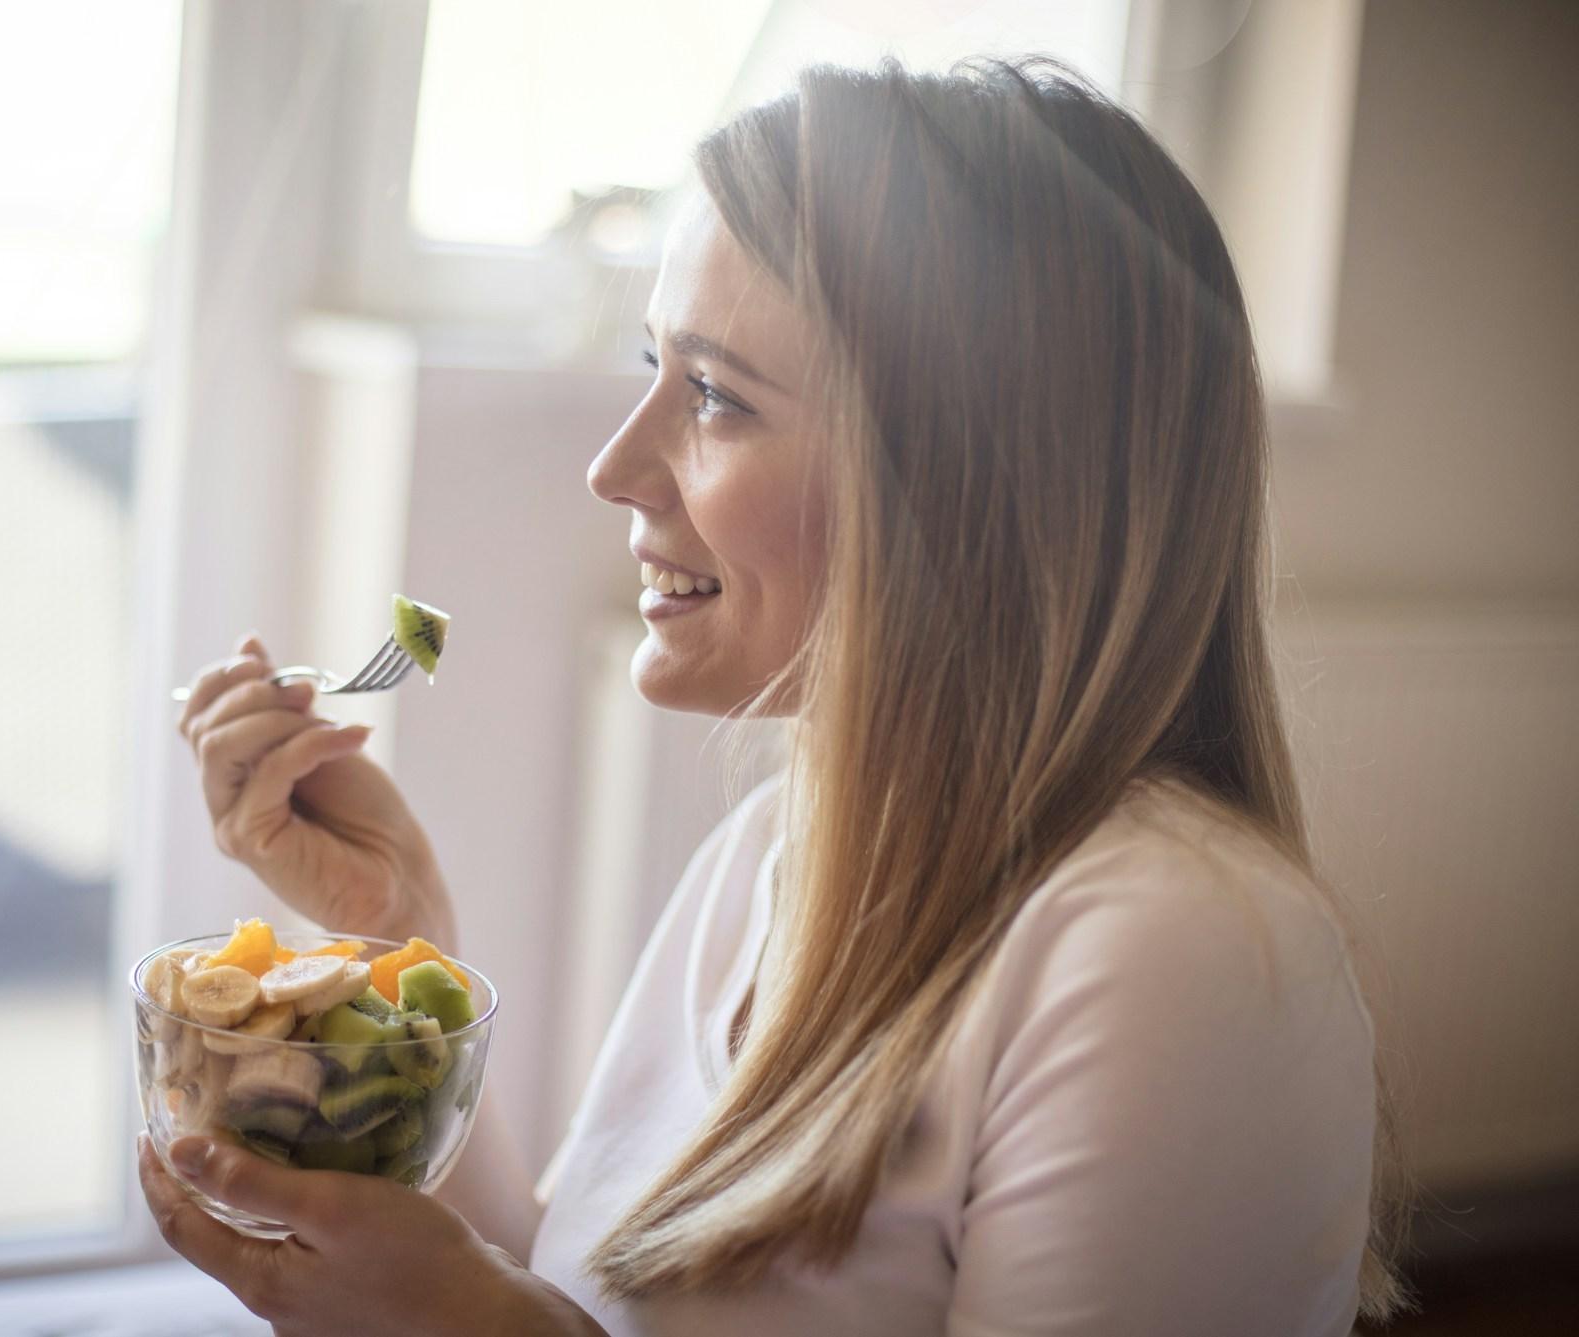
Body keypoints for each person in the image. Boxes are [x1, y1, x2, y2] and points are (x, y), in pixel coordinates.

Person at [142, 57, 1407, 1336]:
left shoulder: (1178, 958)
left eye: (711, 394)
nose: (613, 466)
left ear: (967, 487)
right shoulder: (771, 859)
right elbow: (584, 1290)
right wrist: (402, 931)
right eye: (654, 364)